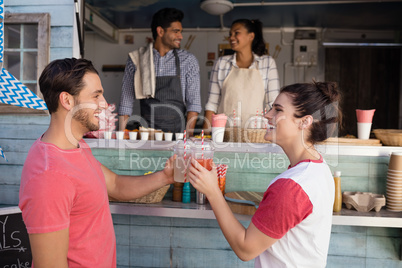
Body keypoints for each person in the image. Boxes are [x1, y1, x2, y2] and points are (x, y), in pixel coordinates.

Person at [19, 58, 174, 267]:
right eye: (96, 95)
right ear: (67, 101)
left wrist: (166, 176)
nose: (104, 103)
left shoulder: (77, 146)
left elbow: (115, 184)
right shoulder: (50, 176)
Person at [189, 81, 342, 267]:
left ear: (305, 122)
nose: (267, 115)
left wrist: (213, 192)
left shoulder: (292, 186)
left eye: (278, 110)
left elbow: (246, 249)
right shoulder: (319, 167)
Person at [118, 7, 201, 136]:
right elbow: (126, 102)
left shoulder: (188, 61)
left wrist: (187, 139)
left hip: (177, 136)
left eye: (181, 32)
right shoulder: (136, 59)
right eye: (176, 31)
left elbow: (193, 104)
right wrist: (121, 136)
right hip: (147, 135)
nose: (181, 36)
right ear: (160, 31)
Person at [203, 19, 280, 132]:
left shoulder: (267, 63)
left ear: (251, 36)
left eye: (236, 33)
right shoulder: (221, 63)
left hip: (255, 132)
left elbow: (272, 104)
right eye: (230, 34)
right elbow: (212, 103)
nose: (231, 37)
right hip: (224, 131)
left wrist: (275, 134)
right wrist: (205, 136)